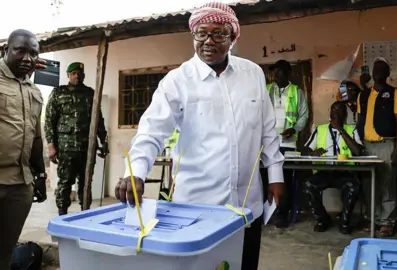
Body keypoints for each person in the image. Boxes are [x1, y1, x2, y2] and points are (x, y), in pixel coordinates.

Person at [114, 3, 284, 270]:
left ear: (233, 37)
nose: (208, 41)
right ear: (193, 35)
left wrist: (275, 175)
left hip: (247, 204)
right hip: (196, 210)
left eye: (219, 34)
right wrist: (135, 172)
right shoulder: (177, 81)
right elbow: (151, 132)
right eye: (201, 33)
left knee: (245, 264)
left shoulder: (253, 74)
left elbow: (267, 129)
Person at [0, 29, 47, 269]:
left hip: (20, 185)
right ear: (6, 50)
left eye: (33, 53)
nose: (27, 58)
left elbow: (37, 137)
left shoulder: (34, 92)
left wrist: (40, 174)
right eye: (21, 50)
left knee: (6, 249)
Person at [44, 62, 108, 215]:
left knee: (86, 183)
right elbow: (49, 121)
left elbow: (98, 120)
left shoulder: (91, 94)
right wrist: (51, 145)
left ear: (83, 75)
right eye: (73, 73)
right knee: (65, 182)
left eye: (79, 73)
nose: (77, 76)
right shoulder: (58, 93)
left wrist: (104, 141)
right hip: (66, 148)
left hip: (87, 147)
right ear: (68, 75)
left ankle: (84, 213)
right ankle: (62, 214)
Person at [357, 57, 397, 237]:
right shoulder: (363, 95)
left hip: (386, 144)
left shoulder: (395, 94)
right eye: (375, 68)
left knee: (387, 184)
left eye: (381, 68)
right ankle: (374, 219)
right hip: (367, 146)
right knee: (370, 184)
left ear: (387, 73)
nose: (377, 71)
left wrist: (396, 150)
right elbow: (360, 121)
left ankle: (387, 222)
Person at [303, 102, 363, 234]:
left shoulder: (351, 130)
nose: (335, 113)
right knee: (308, 185)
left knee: (353, 187)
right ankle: (322, 219)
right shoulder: (320, 129)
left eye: (339, 110)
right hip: (324, 171)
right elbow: (306, 149)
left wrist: (341, 130)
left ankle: (344, 221)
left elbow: (358, 152)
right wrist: (313, 153)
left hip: (345, 172)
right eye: (333, 110)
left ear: (345, 114)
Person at [266, 59, 309, 228]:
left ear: (288, 73)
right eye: (274, 72)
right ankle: (269, 212)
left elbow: (304, 115)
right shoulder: (267, 90)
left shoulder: (296, 92)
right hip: (269, 144)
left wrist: (295, 129)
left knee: (284, 181)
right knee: (267, 179)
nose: (275, 75)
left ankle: (282, 214)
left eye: (279, 71)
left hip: (288, 144)